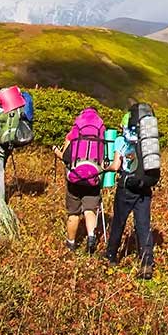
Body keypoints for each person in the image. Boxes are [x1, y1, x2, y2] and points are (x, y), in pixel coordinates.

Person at [107, 111, 158, 278]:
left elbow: (116, 166)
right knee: (143, 225)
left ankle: (111, 256)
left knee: (119, 222)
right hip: (144, 188)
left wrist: (104, 167)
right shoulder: (148, 142)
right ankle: (146, 264)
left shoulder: (121, 140)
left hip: (126, 187)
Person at [61, 109, 104, 254]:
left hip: (75, 176)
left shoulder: (76, 128)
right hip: (93, 175)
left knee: (73, 213)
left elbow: (66, 156)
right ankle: (91, 236)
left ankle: (71, 244)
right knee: (90, 210)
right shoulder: (100, 129)